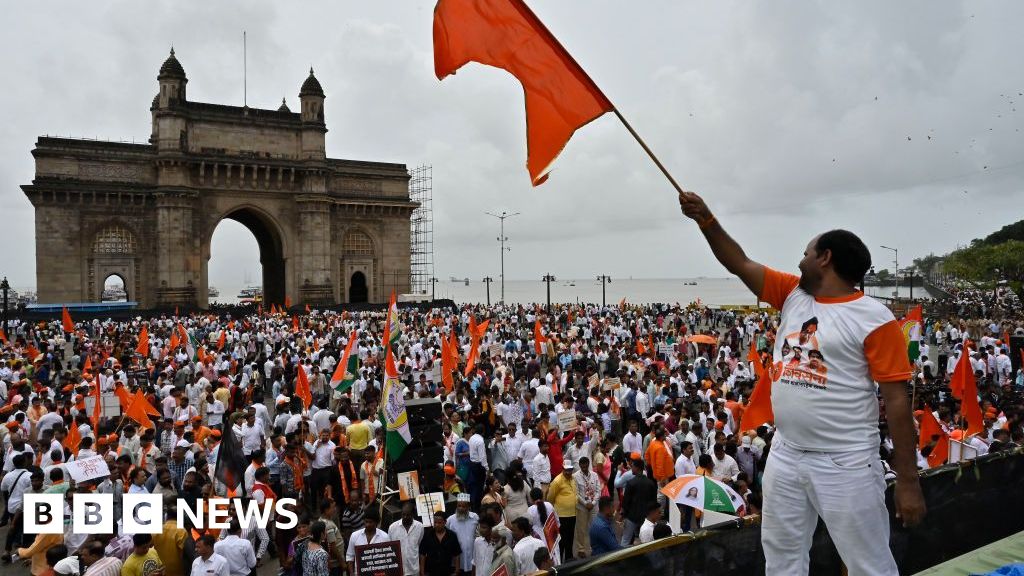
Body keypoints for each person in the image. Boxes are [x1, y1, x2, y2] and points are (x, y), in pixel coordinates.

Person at [678, 191, 925, 574]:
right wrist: (706, 220)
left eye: (807, 253)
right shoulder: (793, 295)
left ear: (825, 258)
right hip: (786, 453)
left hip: (847, 461)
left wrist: (908, 481)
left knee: (868, 564)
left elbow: (896, 401)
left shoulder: (874, 318)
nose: (800, 259)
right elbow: (738, 262)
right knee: (781, 556)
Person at [619, 454, 657, 547]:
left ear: (637, 468)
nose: (631, 469)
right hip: (646, 516)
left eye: (632, 467)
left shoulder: (631, 483)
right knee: (647, 540)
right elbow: (654, 501)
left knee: (625, 540)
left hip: (632, 516)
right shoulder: (650, 483)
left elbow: (626, 502)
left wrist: (622, 515)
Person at [545, 461, 576, 562]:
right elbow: (550, 498)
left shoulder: (572, 478)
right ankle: (560, 562)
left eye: (570, 470)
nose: (568, 472)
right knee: (562, 540)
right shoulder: (557, 481)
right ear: (563, 469)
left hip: (572, 514)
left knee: (570, 538)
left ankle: (569, 559)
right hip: (561, 515)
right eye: (566, 470)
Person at [346, 507, 388, 576]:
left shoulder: (385, 537)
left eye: (370, 522)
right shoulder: (354, 536)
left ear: (376, 522)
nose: (367, 524)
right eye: (366, 521)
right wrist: (351, 573)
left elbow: (388, 559)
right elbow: (350, 556)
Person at [420, 510, 462, 576]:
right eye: (435, 522)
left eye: (439, 522)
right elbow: (422, 553)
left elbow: (457, 554)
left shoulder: (452, 535)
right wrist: (422, 571)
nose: (436, 525)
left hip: (447, 571)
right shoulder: (428, 535)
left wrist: (457, 570)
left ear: (445, 522)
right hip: (431, 572)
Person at [446, 494, 480, 575]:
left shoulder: (475, 517)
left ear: (468, 507)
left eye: (463, 506)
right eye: (459, 506)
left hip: (473, 557)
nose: (461, 508)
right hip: (457, 560)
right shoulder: (450, 520)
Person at [388, 502, 424, 576]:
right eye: (403, 514)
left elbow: (419, 546)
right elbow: (389, 549)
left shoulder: (420, 527)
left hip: (414, 570)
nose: (405, 517)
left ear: (413, 515)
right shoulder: (392, 527)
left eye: (408, 515)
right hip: (398, 570)